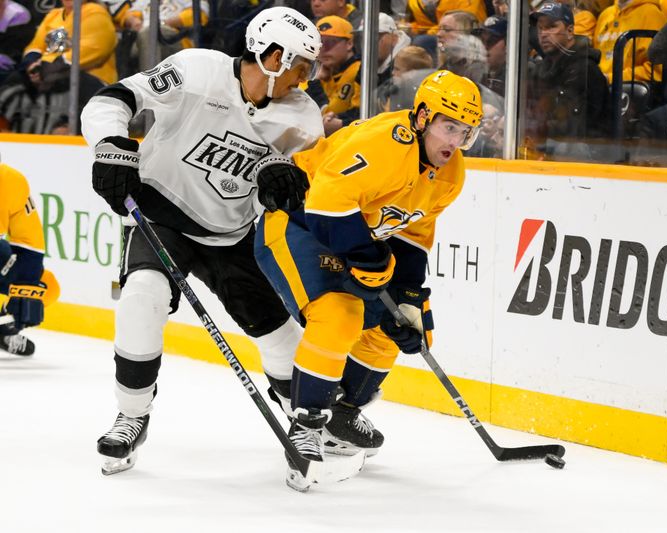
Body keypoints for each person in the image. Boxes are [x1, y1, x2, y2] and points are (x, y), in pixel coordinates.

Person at [80, 6, 324, 476]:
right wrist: (111, 149)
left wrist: (286, 179)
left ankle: (310, 419)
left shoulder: (304, 118)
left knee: (280, 335)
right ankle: (131, 415)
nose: (306, 79)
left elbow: (303, 183)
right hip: (160, 214)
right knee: (141, 298)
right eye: (301, 66)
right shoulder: (195, 71)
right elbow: (110, 101)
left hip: (232, 234)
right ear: (273, 56)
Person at [253, 69, 483, 491]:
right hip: (296, 223)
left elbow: (412, 235)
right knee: (340, 315)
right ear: (422, 118)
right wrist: (366, 258)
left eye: (465, 133)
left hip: (354, 234)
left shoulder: (450, 174)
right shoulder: (385, 143)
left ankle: (343, 411)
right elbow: (324, 205)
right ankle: (306, 423)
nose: (455, 142)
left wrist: (409, 294)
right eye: (449, 127)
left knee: (403, 327)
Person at [523, 2, 610, 160]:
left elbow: (572, 127)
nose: (543, 34)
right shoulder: (542, 68)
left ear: (570, 31)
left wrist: (527, 127)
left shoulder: (585, 69)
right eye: (541, 28)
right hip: (553, 144)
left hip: (589, 153)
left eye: (551, 27)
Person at [0, 153, 60, 356]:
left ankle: (3, 328)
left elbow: (30, 245)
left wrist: (24, 289)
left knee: (47, 287)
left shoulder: (9, 182)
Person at [307, 15, 360, 136]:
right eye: (320, 44)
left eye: (331, 42)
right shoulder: (328, 70)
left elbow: (330, 112)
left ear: (349, 44)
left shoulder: (357, 71)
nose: (324, 49)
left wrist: (315, 82)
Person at [593, 0, 667, 83]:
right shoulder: (605, 15)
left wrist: (609, 78)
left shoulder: (653, 15)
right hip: (598, 88)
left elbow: (656, 71)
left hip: (628, 91)